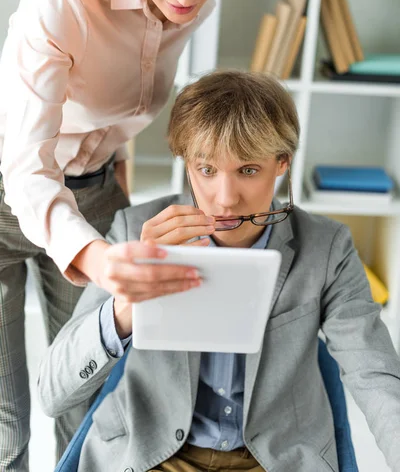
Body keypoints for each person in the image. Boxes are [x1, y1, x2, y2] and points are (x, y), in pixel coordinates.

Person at [38, 70, 400, 472]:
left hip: (275, 457)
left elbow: (376, 375)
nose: (225, 201)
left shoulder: (327, 248)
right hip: (152, 455)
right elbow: (52, 393)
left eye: (247, 170)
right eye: (207, 170)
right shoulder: (133, 230)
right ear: (187, 164)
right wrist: (127, 304)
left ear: (282, 163)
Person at [0, 0, 235, 468]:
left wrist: (117, 182)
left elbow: (120, 106)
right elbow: (29, 167)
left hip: (95, 189)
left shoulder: (191, 2)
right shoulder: (61, 0)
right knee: (6, 423)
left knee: (85, 393)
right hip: (12, 191)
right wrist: (100, 259)